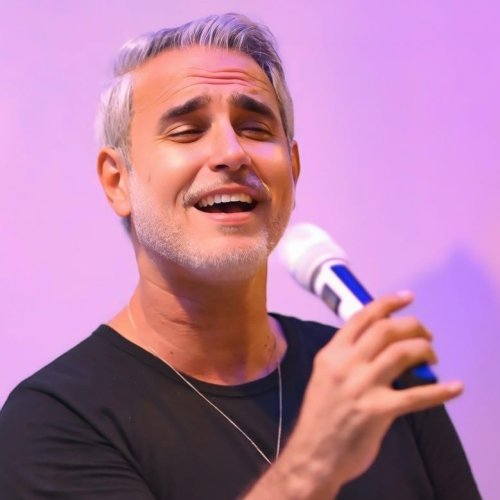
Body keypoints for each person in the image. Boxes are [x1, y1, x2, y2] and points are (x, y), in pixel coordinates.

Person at [0, 13, 480, 499]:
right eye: (187, 131)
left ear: (293, 167)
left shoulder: (371, 379)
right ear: (117, 181)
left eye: (254, 128)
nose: (231, 152)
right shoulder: (53, 420)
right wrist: (312, 464)